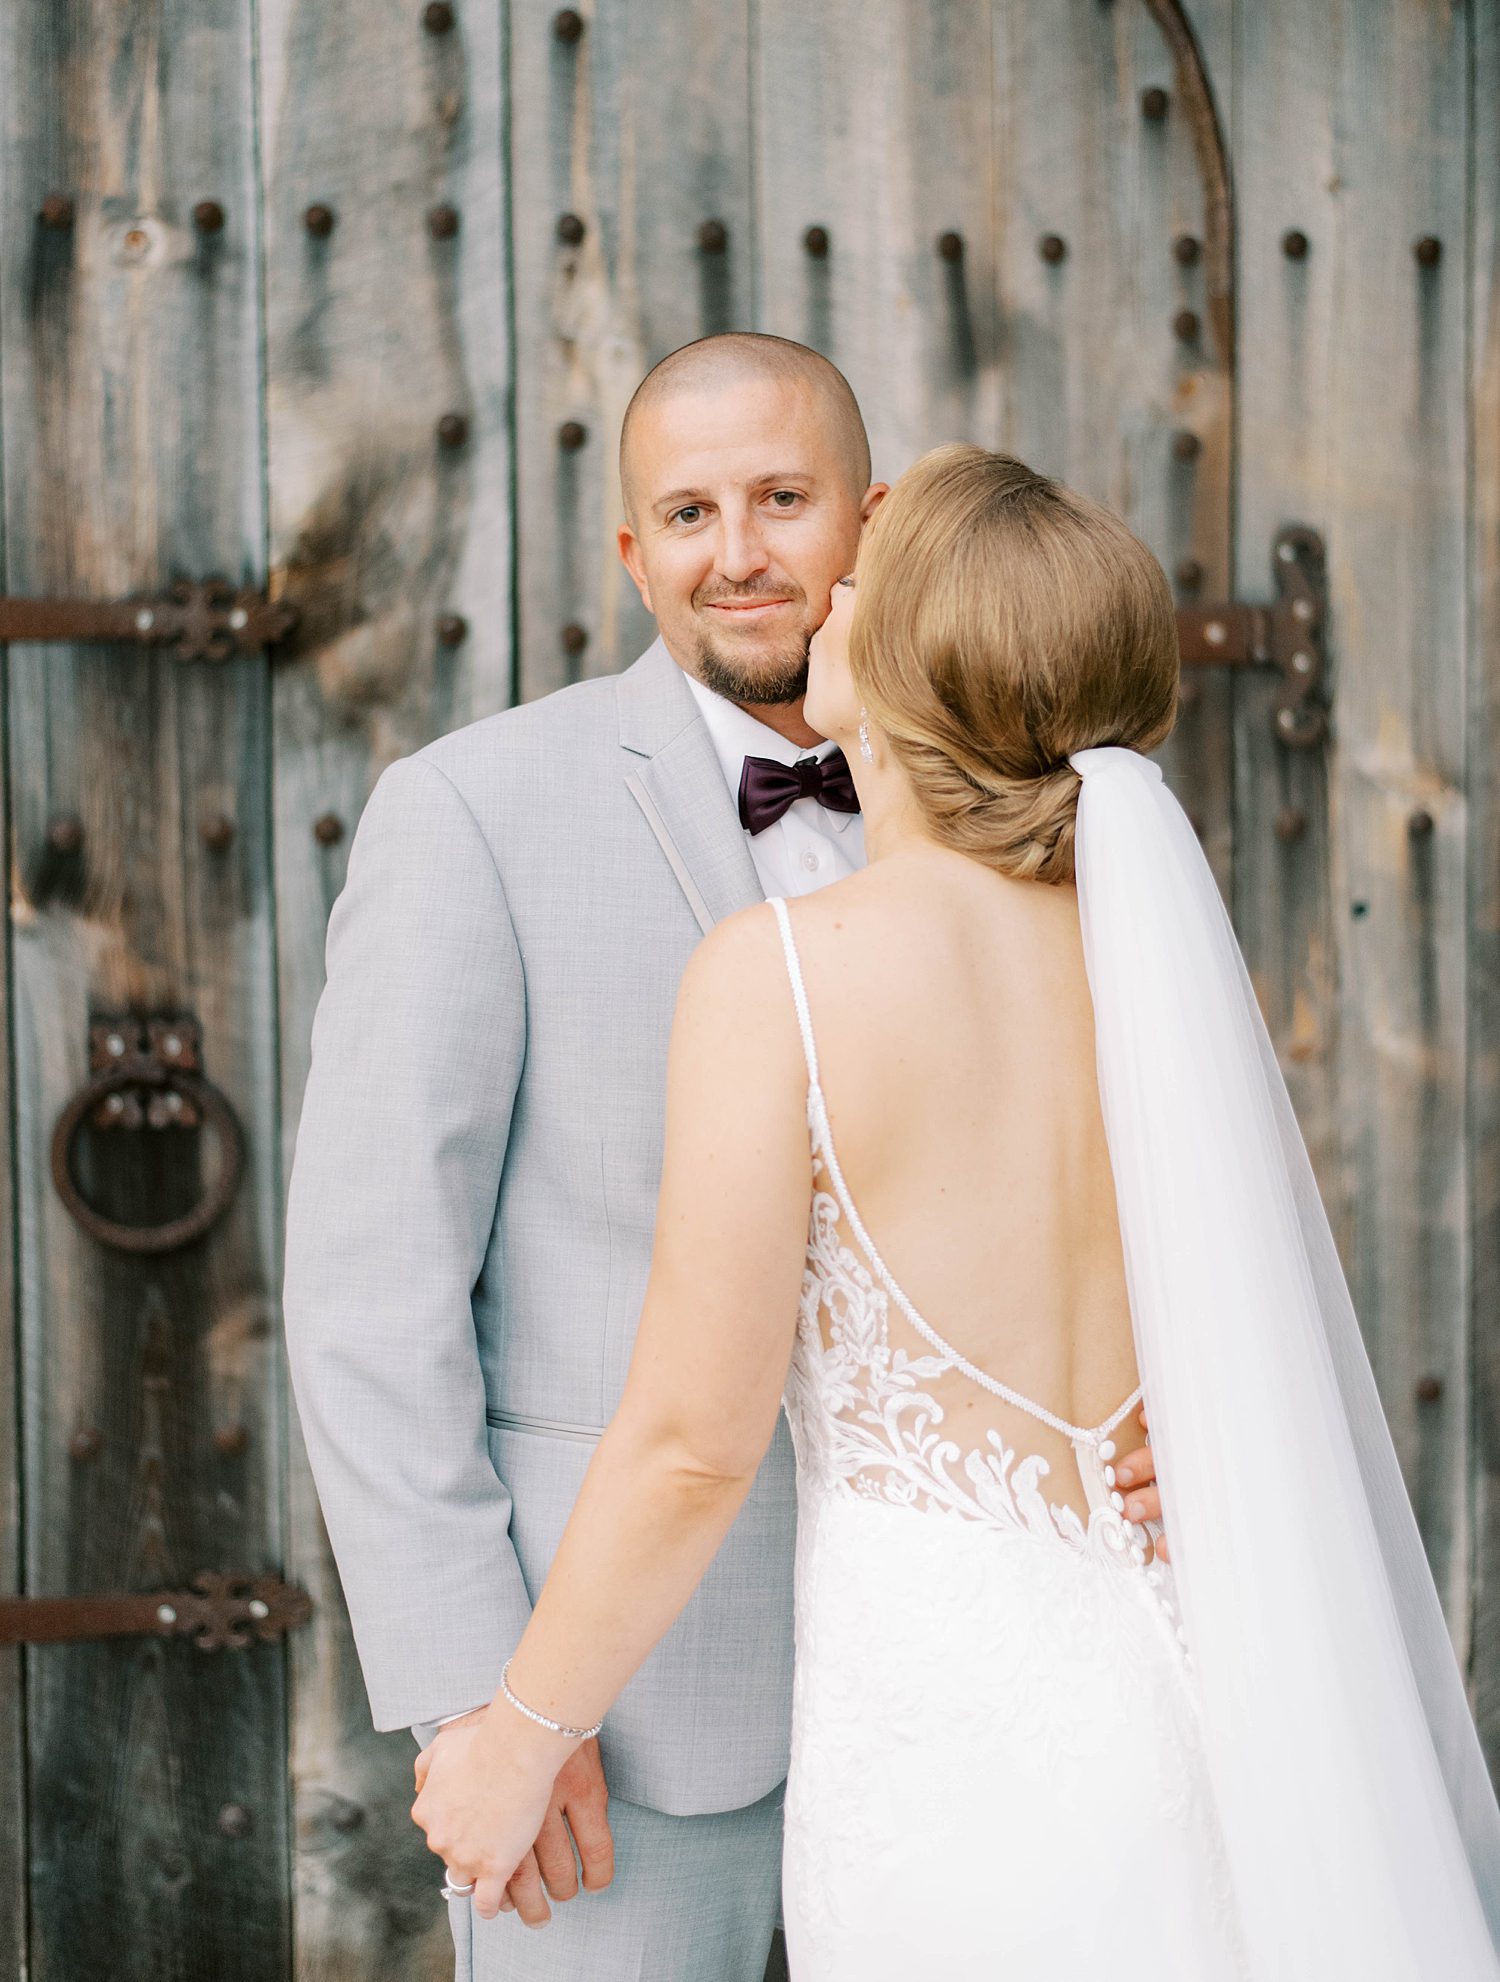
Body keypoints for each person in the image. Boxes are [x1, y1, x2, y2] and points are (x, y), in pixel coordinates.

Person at [409, 444, 1500, 1977]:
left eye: (857, 576)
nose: (822, 593)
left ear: (911, 660)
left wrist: (520, 1728)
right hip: (1181, 1715)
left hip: (944, 1759)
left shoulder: (780, 974)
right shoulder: (1151, 972)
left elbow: (691, 1437)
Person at [283, 337, 1173, 1981]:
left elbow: (1151, 1222)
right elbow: (367, 1292)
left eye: (780, 497)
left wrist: (1180, 1429)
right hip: (614, 1719)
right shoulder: (472, 811)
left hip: (963, 1690)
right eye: (686, 512)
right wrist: (485, 1691)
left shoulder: (1054, 843)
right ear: (632, 554)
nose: (738, 549)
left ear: (875, 520)